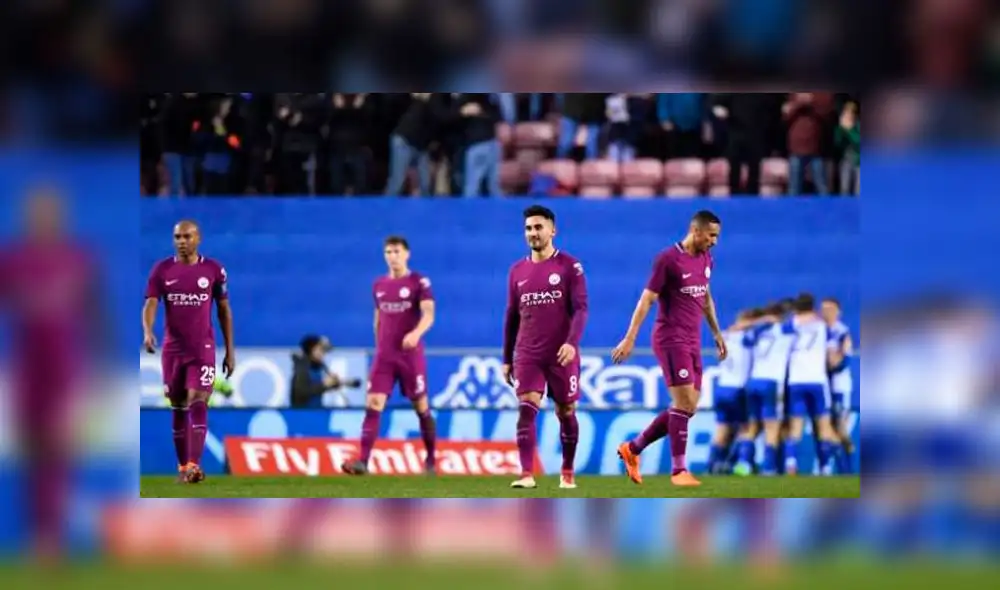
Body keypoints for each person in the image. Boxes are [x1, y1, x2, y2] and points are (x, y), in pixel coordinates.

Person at [611, 210, 725, 487]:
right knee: (684, 404)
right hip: (671, 339)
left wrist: (716, 333)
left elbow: (705, 297)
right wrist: (630, 338)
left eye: (717, 237)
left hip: (693, 340)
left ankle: (632, 448)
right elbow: (647, 300)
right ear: (695, 231)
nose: (714, 242)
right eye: (711, 236)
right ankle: (679, 471)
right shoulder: (668, 259)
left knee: (688, 407)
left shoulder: (707, 259)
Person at [502, 205, 589, 490]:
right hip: (528, 353)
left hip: (561, 354)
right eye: (528, 228)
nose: (533, 233)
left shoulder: (570, 266)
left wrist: (571, 343)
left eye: (538, 227)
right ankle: (527, 474)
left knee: (566, 411)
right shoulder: (517, 270)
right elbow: (511, 315)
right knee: (526, 409)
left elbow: (581, 309)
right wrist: (506, 358)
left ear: (553, 230)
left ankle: (567, 472)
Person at [143, 219, 235, 484]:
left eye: (187, 236)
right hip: (173, 350)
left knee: (198, 400)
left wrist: (230, 350)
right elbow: (151, 304)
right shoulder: (162, 270)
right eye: (177, 237)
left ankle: (194, 465)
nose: (182, 242)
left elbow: (224, 310)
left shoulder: (214, 270)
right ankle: (183, 467)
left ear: (198, 238)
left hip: (202, 348)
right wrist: (148, 331)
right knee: (178, 406)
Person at [342, 236, 437, 475]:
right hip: (385, 356)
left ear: (407, 254)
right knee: (373, 403)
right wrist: (380, 346)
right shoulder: (379, 285)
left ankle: (431, 460)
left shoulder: (418, 282)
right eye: (388, 252)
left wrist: (416, 333)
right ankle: (363, 461)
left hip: (410, 356)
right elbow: (378, 318)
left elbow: (428, 314)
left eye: (396, 251)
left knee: (421, 406)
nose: (392, 256)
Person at [732, 302, 794, 476]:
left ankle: (743, 464)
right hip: (772, 382)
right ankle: (768, 467)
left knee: (752, 425)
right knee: (771, 427)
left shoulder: (757, 331)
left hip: (754, 381)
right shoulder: (785, 330)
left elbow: (745, 340)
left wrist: (760, 321)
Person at [784, 293, 840, 475]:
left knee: (795, 426)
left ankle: (790, 463)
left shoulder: (790, 324)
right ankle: (825, 467)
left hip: (796, 381)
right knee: (823, 426)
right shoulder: (824, 325)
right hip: (817, 380)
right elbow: (832, 359)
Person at [707, 308, 759, 474]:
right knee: (747, 429)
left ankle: (713, 466)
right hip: (738, 389)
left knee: (722, 429)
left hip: (722, 388)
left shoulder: (725, 335)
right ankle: (742, 466)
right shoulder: (748, 337)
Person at [822, 297, 856, 472]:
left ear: (838, 312)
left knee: (841, 429)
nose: (826, 312)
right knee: (827, 428)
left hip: (839, 387)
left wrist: (831, 362)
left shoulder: (842, 332)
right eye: (823, 308)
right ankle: (839, 471)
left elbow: (844, 361)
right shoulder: (819, 330)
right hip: (824, 387)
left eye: (830, 309)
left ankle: (849, 466)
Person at [290, 334, 362, 408]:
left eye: (324, 351)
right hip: (303, 413)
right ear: (311, 350)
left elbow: (318, 387)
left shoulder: (319, 366)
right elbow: (302, 392)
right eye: (320, 350)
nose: (323, 354)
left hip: (316, 412)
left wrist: (336, 383)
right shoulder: (301, 368)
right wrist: (324, 385)